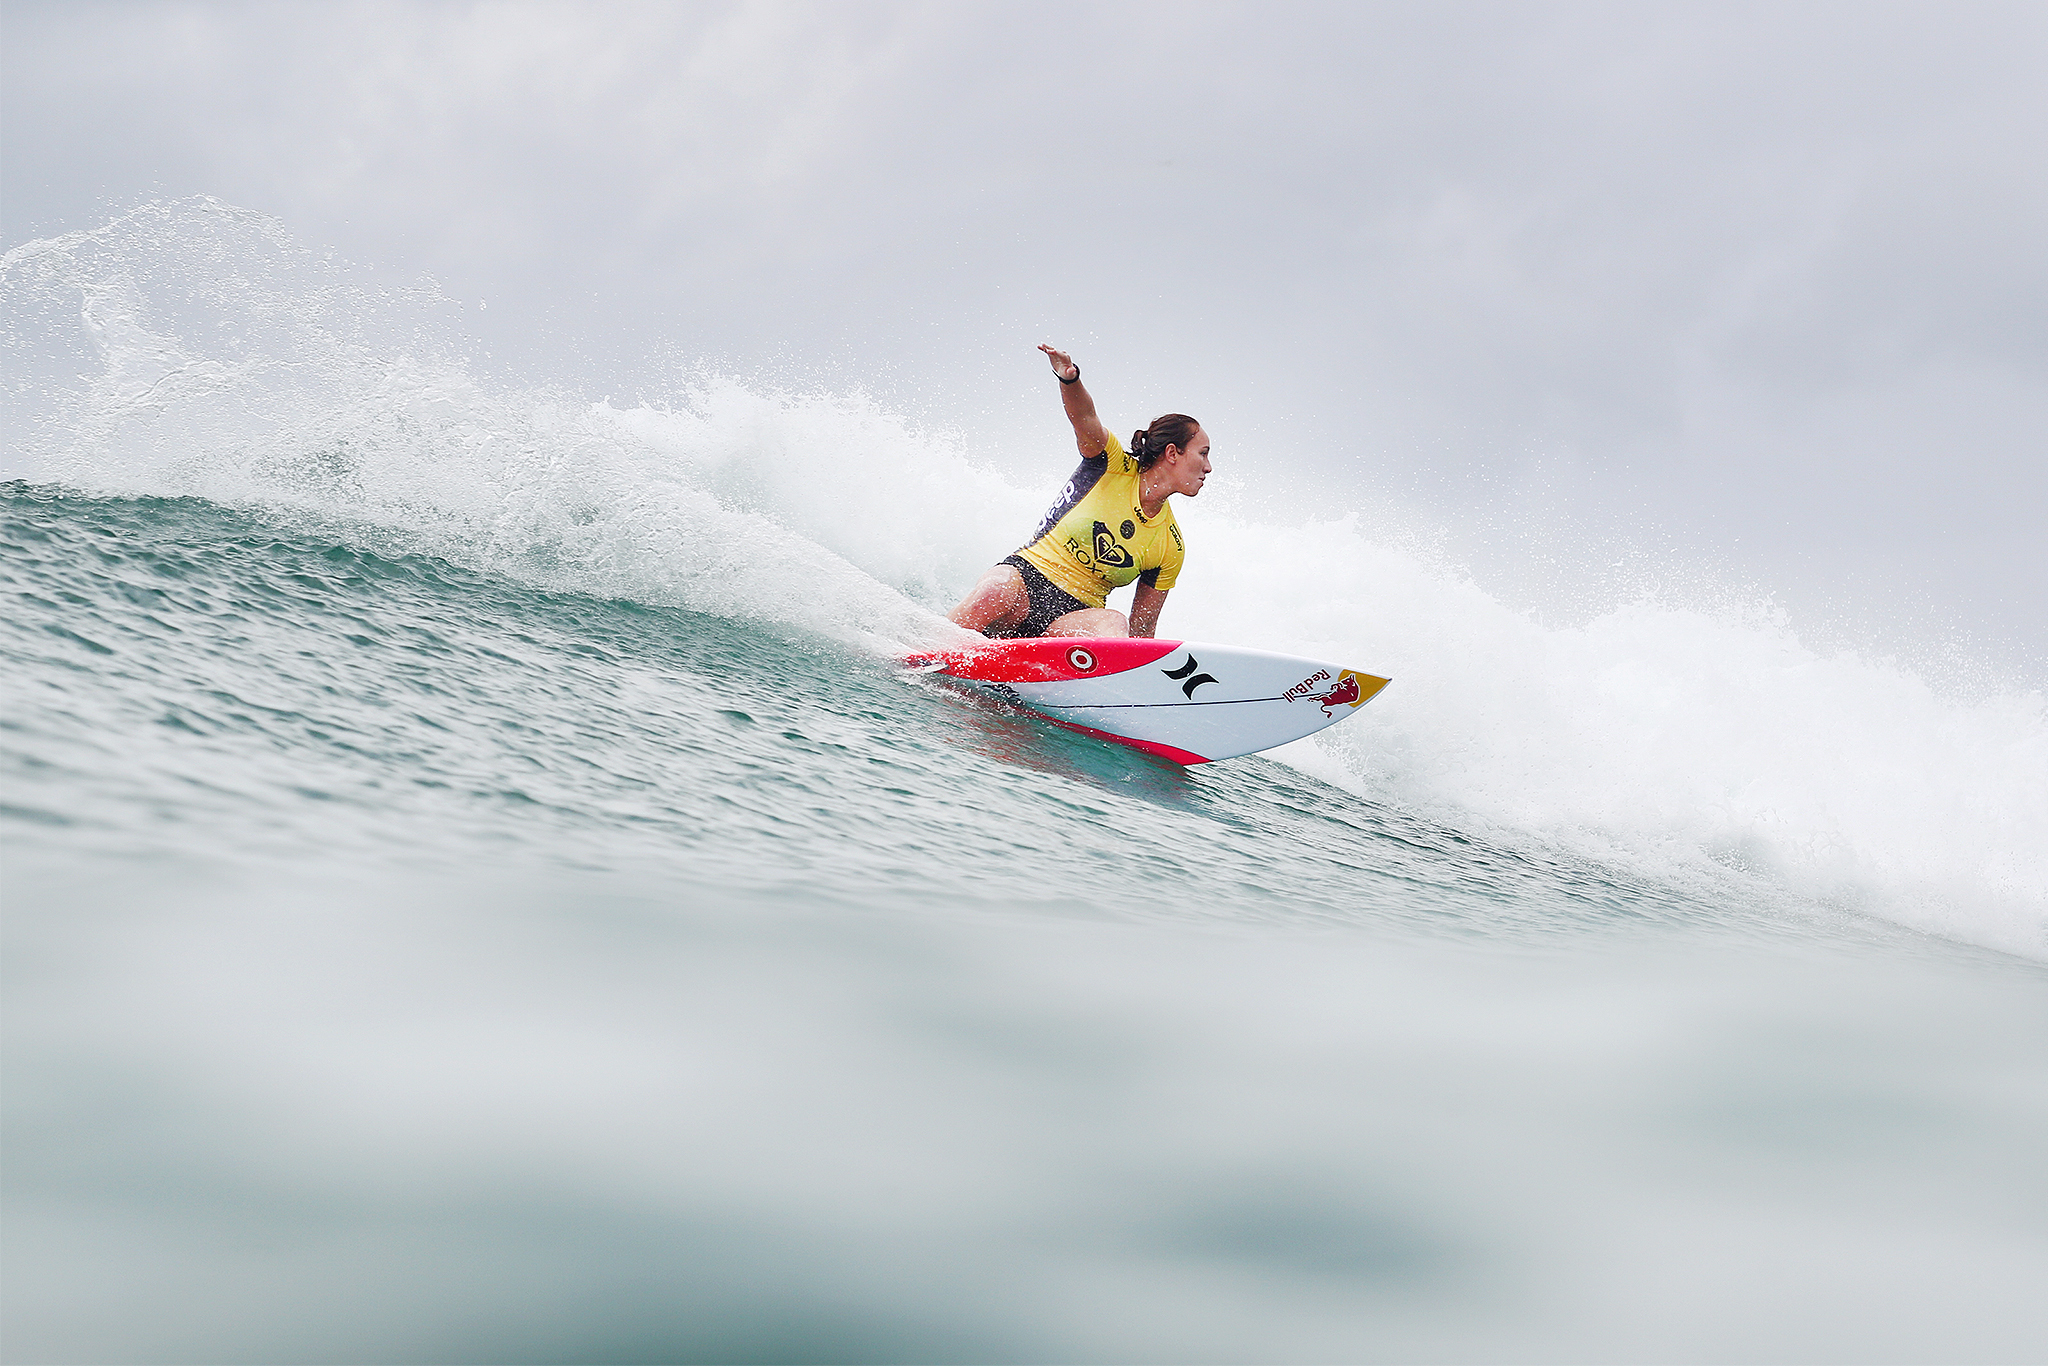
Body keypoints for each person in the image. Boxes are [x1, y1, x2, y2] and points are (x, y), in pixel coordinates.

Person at [949, 345, 1211, 640]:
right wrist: (1069, 380)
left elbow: (1142, 630)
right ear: (1173, 453)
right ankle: (919, 654)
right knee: (993, 590)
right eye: (1203, 454)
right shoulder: (1110, 463)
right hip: (1024, 580)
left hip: (1072, 619)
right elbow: (1084, 418)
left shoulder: (1169, 546)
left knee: (1114, 625)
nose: (1208, 467)